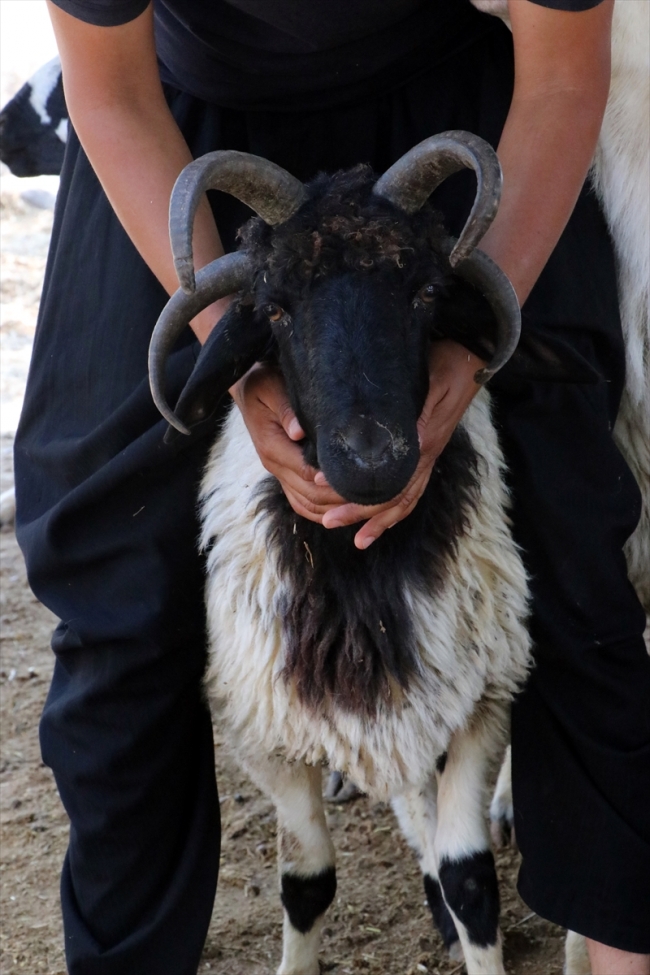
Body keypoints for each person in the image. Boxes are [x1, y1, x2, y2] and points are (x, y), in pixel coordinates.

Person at [13, 0, 649, 973]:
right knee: (112, 571)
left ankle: (619, 954)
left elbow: (562, 75)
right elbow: (111, 90)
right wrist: (230, 348)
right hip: (185, 139)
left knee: (569, 529)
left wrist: (472, 337)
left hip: (449, 136)